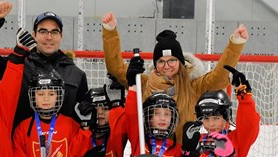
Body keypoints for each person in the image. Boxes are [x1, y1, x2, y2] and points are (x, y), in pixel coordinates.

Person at [101, 12, 248, 140]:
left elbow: (219, 78)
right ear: (155, 64)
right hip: (152, 153)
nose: (166, 66)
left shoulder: (194, 85)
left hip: (183, 155)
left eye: (172, 60)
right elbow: (116, 69)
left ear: (181, 62)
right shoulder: (144, 83)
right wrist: (110, 32)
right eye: (161, 62)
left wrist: (235, 44)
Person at [0, 1, 88, 127]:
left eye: (54, 32)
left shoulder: (77, 75)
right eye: (43, 31)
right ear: (34, 35)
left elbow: (81, 117)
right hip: (21, 144)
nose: (49, 37)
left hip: (61, 144)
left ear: (61, 36)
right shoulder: (18, 66)